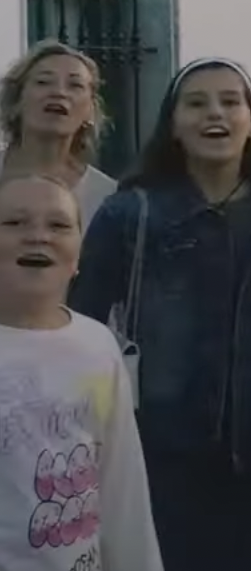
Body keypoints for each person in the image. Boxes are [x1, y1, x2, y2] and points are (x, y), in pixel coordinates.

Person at [70, 59, 251, 571]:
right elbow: (77, 333)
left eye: (229, 101)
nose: (214, 114)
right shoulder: (129, 215)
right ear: (173, 123)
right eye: (196, 103)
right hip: (153, 460)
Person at [0, 174, 163, 571]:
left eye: (58, 225)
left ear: (77, 257)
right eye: (14, 223)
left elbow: (121, 480)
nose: (38, 235)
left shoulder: (98, 347)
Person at [0, 41, 117, 222]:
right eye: (43, 82)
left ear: (90, 111)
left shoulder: (107, 198)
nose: (59, 92)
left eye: (75, 85)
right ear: (17, 101)